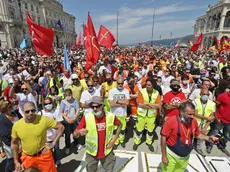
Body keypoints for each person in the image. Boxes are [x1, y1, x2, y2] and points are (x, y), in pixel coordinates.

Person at [160, 101, 219, 172]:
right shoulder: (171, 121)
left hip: (184, 159)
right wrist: (164, 156)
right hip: (171, 158)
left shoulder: (193, 121)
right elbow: (163, 137)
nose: (192, 117)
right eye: (189, 114)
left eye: (193, 114)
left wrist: (209, 138)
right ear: (181, 112)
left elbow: (198, 135)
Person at [11, 101, 64, 172]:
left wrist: (53, 143)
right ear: (23, 112)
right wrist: (16, 161)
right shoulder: (17, 126)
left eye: (33, 110)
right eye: (27, 111)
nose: (31, 113)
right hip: (28, 158)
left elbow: (61, 127)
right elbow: (14, 144)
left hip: (44, 156)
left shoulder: (44, 119)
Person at [73, 96, 121, 172]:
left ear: (103, 106)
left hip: (107, 152)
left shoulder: (111, 116)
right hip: (91, 154)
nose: (94, 109)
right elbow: (74, 134)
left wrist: (114, 140)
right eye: (92, 106)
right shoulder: (87, 117)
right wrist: (77, 133)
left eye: (97, 106)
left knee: (109, 170)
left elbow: (120, 125)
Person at [133, 78, 161, 152]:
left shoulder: (157, 93)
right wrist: (152, 105)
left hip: (151, 116)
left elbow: (159, 105)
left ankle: (149, 143)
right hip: (141, 115)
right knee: (139, 130)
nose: (147, 86)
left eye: (149, 85)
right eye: (146, 84)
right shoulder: (141, 92)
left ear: (153, 86)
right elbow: (140, 105)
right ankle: (137, 142)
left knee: (150, 131)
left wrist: (147, 104)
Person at [39, 97, 63, 166]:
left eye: (49, 103)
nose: (48, 105)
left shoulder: (57, 111)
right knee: (47, 151)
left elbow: (60, 124)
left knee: (56, 149)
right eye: (46, 104)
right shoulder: (40, 113)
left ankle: (57, 160)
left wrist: (54, 124)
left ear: (52, 103)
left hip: (55, 136)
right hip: (45, 137)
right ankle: (50, 162)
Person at [193, 88, 216, 156]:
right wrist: (206, 118)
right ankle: (189, 146)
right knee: (191, 136)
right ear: (200, 94)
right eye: (203, 94)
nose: (205, 96)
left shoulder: (212, 104)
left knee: (201, 138)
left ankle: (198, 147)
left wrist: (205, 127)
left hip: (205, 124)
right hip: (195, 123)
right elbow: (195, 113)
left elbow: (211, 117)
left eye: (207, 94)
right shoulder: (195, 101)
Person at [108, 77, 130, 148]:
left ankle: (122, 141)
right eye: (118, 83)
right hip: (114, 114)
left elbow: (127, 103)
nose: (120, 85)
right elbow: (111, 104)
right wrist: (122, 103)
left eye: (121, 83)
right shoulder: (112, 91)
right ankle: (116, 142)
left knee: (123, 129)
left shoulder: (126, 91)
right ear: (116, 83)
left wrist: (117, 101)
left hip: (123, 114)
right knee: (115, 130)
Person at [0, 99, 20, 172]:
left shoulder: (15, 113)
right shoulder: (1, 119)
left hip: (20, 141)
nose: (12, 107)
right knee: (10, 161)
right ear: (5, 108)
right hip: (10, 144)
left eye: (11, 105)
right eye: (10, 106)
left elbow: (22, 121)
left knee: (20, 158)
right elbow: (5, 134)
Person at [60, 89, 80, 154]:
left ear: (71, 94)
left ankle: (76, 143)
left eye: (69, 95)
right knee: (67, 135)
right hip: (66, 121)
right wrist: (67, 119)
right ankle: (67, 147)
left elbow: (77, 110)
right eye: (66, 95)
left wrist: (74, 118)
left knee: (75, 133)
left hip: (74, 120)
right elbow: (61, 112)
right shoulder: (63, 102)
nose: (68, 96)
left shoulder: (75, 101)